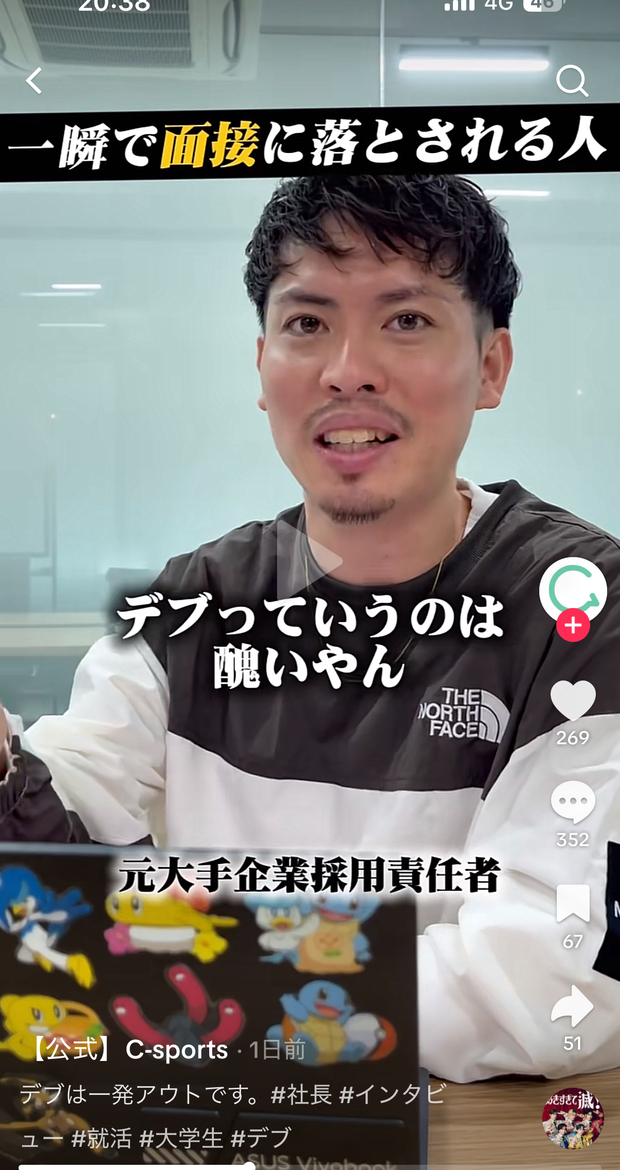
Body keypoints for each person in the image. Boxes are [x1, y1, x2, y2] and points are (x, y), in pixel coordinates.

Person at [1, 173, 620, 1083]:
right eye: (307, 323)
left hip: (463, 1137)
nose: (347, 369)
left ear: (491, 367)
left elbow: (559, 977)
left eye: (406, 319)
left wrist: (213, 1005)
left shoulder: (578, 608)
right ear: (263, 367)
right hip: (219, 1125)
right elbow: (56, 863)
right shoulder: (196, 603)